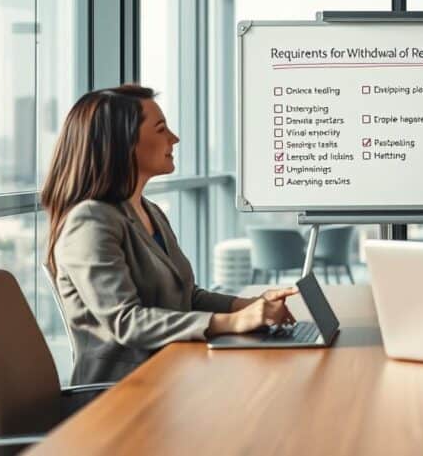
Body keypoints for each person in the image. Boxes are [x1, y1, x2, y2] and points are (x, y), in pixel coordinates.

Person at [41, 85, 300, 384]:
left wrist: (250, 305)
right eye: (161, 129)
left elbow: (185, 297)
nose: (174, 138)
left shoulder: (147, 210)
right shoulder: (89, 221)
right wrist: (232, 322)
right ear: (122, 143)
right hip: (122, 393)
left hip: (172, 372)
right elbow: (127, 323)